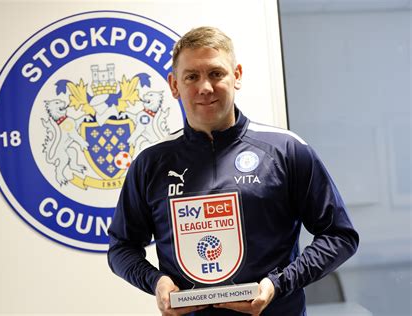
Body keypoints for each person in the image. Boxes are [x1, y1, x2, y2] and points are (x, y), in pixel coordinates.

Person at [107, 26, 359, 316]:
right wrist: (157, 282)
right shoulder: (151, 163)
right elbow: (121, 248)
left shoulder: (286, 150)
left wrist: (279, 284)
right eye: (191, 76)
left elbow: (340, 235)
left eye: (216, 74)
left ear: (236, 75)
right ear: (174, 84)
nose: (204, 87)